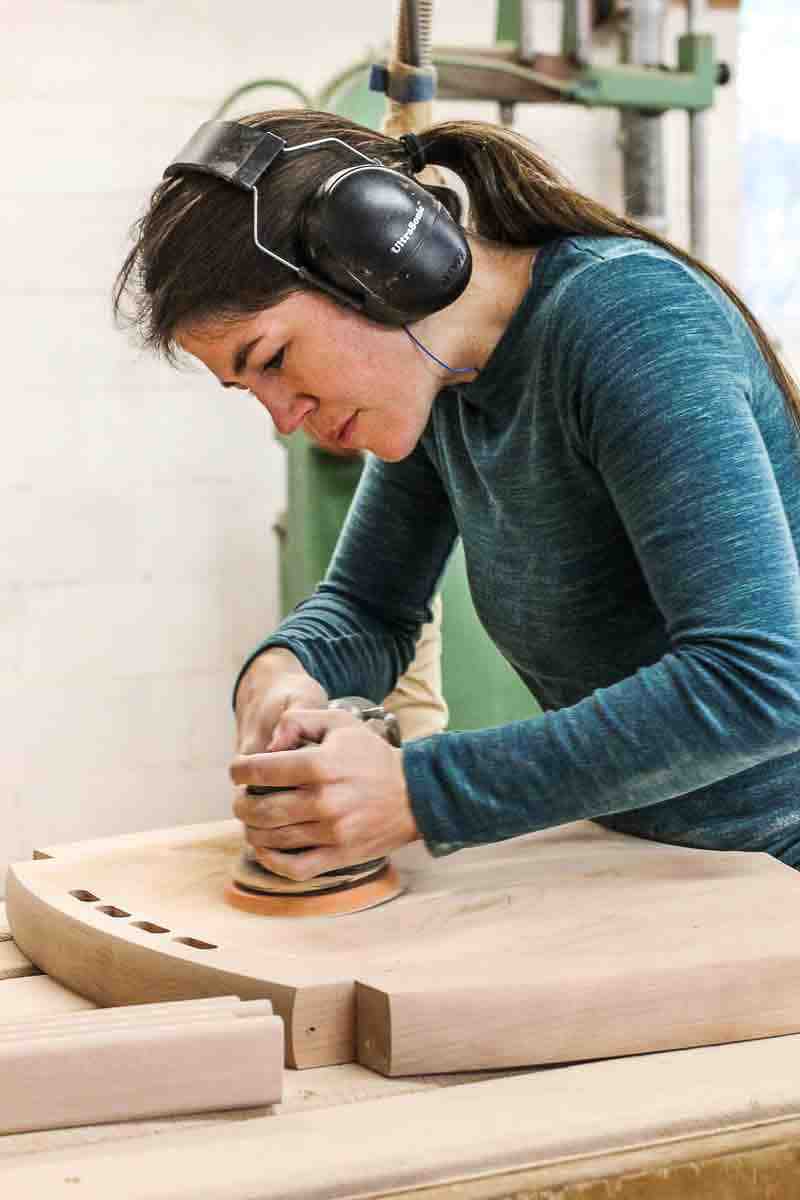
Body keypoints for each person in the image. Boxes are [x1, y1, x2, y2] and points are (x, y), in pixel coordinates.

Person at [114, 109, 800, 886]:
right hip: (662, 862)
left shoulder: (629, 325)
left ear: (376, 263)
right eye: (249, 389)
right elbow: (368, 609)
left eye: (273, 358)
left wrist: (418, 793)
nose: (284, 416)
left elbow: (757, 685)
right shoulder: (443, 379)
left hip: (780, 873)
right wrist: (282, 673)